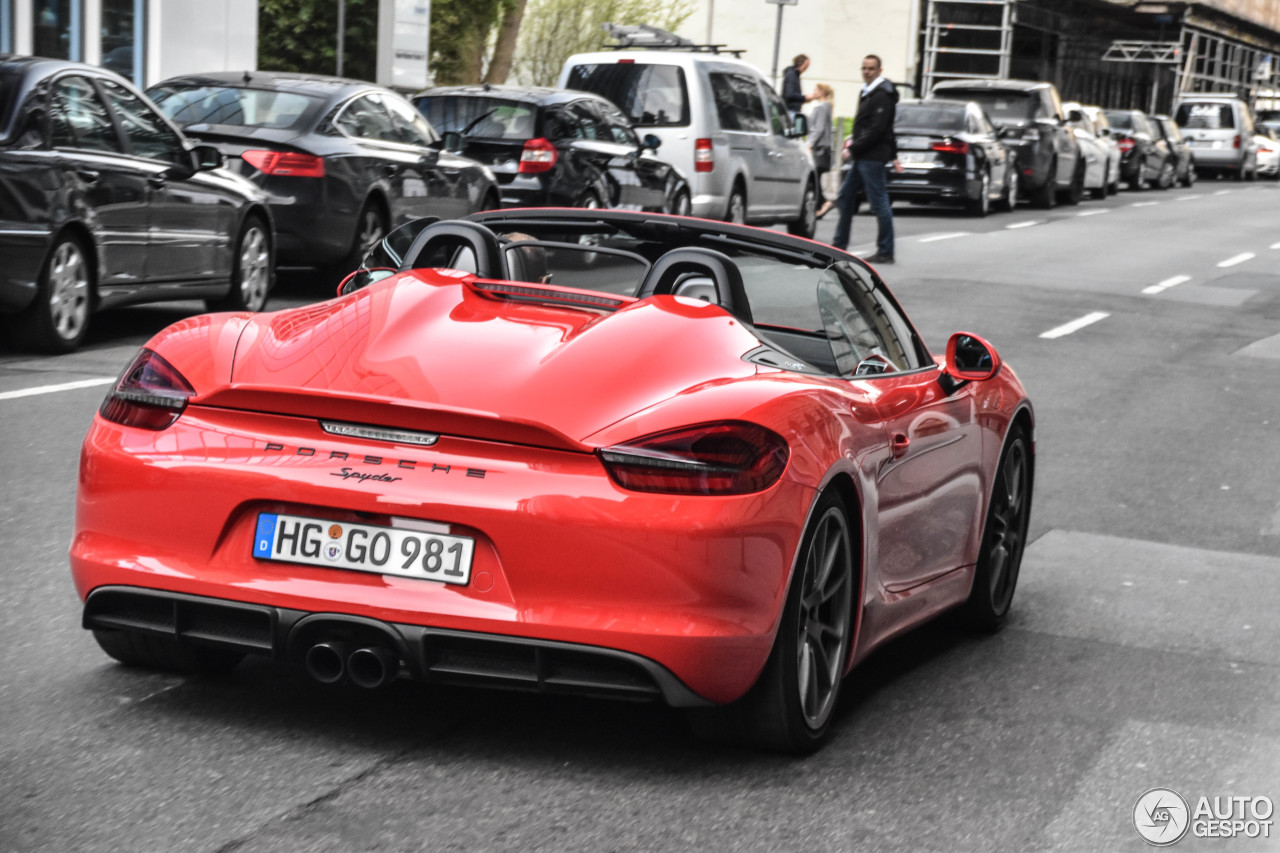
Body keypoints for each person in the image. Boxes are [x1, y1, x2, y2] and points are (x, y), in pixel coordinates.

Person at [831, 54, 898, 264]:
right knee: (845, 196)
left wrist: (853, 147)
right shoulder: (868, 92)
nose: (866, 72)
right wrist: (855, 141)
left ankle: (886, 251)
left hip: (871, 155)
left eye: (871, 68)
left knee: (879, 203)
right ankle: (839, 245)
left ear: (880, 70)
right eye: (864, 68)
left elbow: (878, 129)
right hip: (864, 155)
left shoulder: (882, 95)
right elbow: (874, 127)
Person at [809, 83, 835, 218]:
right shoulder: (825, 107)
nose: (813, 92)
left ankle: (824, 203)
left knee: (814, 176)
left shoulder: (822, 107)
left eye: (815, 90)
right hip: (822, 146)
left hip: (819, 147)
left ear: (822, 92)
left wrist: (810, 143)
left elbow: (818, 129)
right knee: (816, 177)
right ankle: (821, 205)